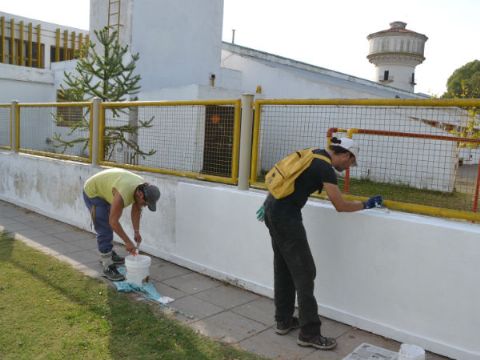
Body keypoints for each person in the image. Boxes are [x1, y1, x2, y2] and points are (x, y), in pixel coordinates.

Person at [256, 137, 382, 351]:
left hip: (272, 210)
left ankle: (283, 320)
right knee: (305, 272)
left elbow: (286, 177)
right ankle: (309, 333)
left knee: (284, 266)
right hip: (286, 217)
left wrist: (267, 203)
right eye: (350, 163)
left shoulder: (312, 153)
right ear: (345, 155)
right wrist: (365, 205)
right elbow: (340, 205)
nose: (348, 167)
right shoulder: (325, 168)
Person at [83, 168, 161, 281]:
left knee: (109, 221)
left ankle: (108, 252)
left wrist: (136, 232)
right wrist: (128, 242)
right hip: (93, 192)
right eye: (145, 203)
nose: (144, 205)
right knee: (105, 228)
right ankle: (107, 264)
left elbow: (136, 210)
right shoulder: (123, 194)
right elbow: (113, 222)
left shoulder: (141, 188)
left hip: (108, 188)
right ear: (140, 194)